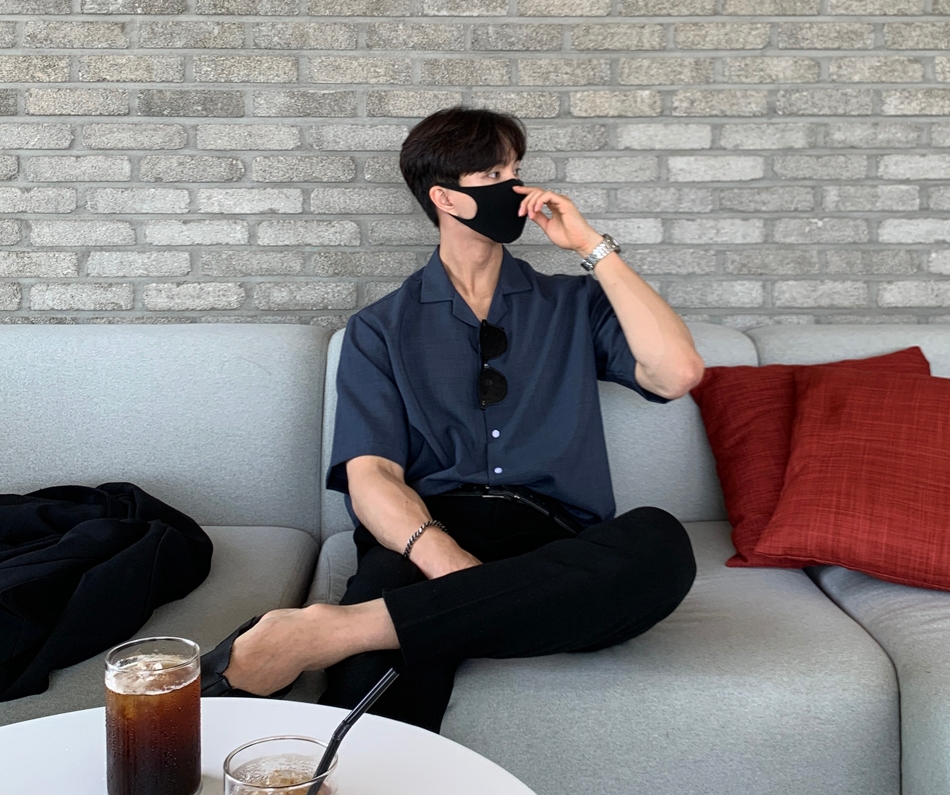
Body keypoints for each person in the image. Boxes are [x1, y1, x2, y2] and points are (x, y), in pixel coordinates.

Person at [211, 107, 704, 731]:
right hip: (425, 531)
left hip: (552, 539)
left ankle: (338, 630)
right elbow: (372, 476)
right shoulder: (379, 328)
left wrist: (591, 247)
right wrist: (448, 565)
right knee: (379, 651)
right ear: (444, 197)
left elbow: (676, 373)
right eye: (494, 174)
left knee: (659, 543)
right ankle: (465, 623)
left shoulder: (573, 304)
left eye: (517, 170)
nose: (517, 189)